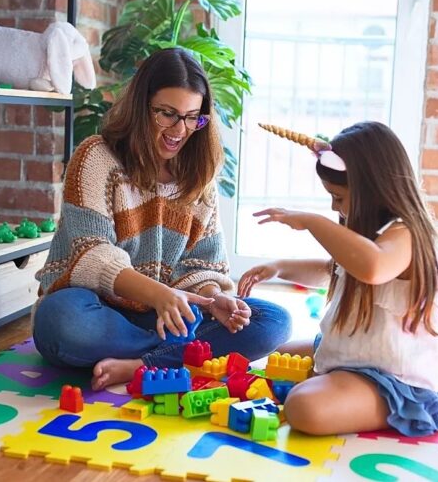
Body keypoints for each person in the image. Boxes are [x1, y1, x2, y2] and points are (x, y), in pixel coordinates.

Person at [32, 48, 292, 390]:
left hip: (166, 316)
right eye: (168, 114)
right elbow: (91, 256)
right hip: (98, 310)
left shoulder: (198, 175)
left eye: (192, 117)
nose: (180, 130)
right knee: (62, 321)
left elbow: (203, 264)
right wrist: (159, 295)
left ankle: (143, 364)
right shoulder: (96, 156)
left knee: (273, 321)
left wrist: (214, 298)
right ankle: (180, 356)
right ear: (141, 107)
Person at [238, 121, 438, 436]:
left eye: (339, 197)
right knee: (280, 357)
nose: (334, 206)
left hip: (392, 377)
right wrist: (278, 268)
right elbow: (333, 270)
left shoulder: (406, 234)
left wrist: (313, 222)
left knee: (303, 407)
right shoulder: (373, 233)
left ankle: (394, 410)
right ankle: (337, 387)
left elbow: (373, 268)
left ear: (373, 190)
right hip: (359, 351)